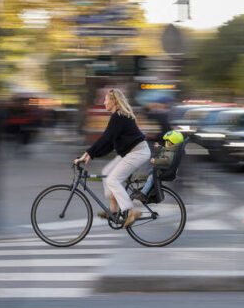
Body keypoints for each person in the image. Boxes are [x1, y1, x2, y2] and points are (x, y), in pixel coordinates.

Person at [74, 89, 150, 228]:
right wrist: (90, 154)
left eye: (106, 100)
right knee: (107, 171)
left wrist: (89, 152)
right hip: (129, 153)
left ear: (114, 101)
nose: (104, 102)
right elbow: (109, 143)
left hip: (137, 153)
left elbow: (106, 138)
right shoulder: (118, 117)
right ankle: (114, 210)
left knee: (113, 180)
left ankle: (131, 211)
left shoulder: (118, 116)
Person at [130, 130, 184, 204]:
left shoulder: (171, 154)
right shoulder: (172, 150)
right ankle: (149, 184)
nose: (165, 143)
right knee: (150, 174)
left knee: (151, 177)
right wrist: (159, 147)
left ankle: (143, 194)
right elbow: (165, 151)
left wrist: (155, 161)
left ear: (171, 143)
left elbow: (166, 160)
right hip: (163, 170)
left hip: (164, 171)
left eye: (167, 142)